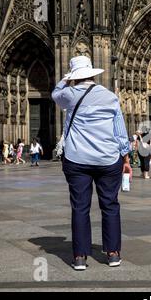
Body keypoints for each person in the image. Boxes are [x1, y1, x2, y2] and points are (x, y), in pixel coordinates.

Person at [52, 55, 132, 271]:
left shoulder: (68, 94)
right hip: (108, 160)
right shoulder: (109, 97)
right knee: (110, 205)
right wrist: (125, 157)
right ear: (92, 74)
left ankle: (79, 257)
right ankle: (113, 254)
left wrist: (66, 78)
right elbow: (120, 131)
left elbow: (55, 94)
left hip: (77, 160)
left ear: (75, 76)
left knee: (80, 208)